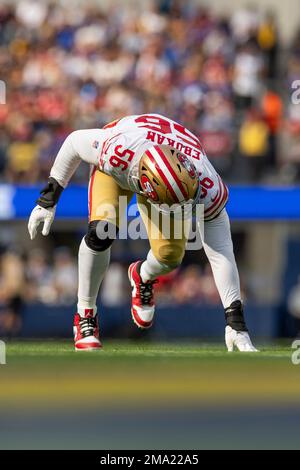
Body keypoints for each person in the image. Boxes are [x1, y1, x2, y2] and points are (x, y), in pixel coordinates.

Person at [28, 113, 257, 352]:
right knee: (102, 232)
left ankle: (142, 275)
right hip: (124, 165)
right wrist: (48, 199)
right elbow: (74, 142)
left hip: (162, 172)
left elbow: (220, 250)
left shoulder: (206, 182)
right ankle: (86, 314)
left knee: (169, 258)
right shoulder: (117, 150)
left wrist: (235, 322)